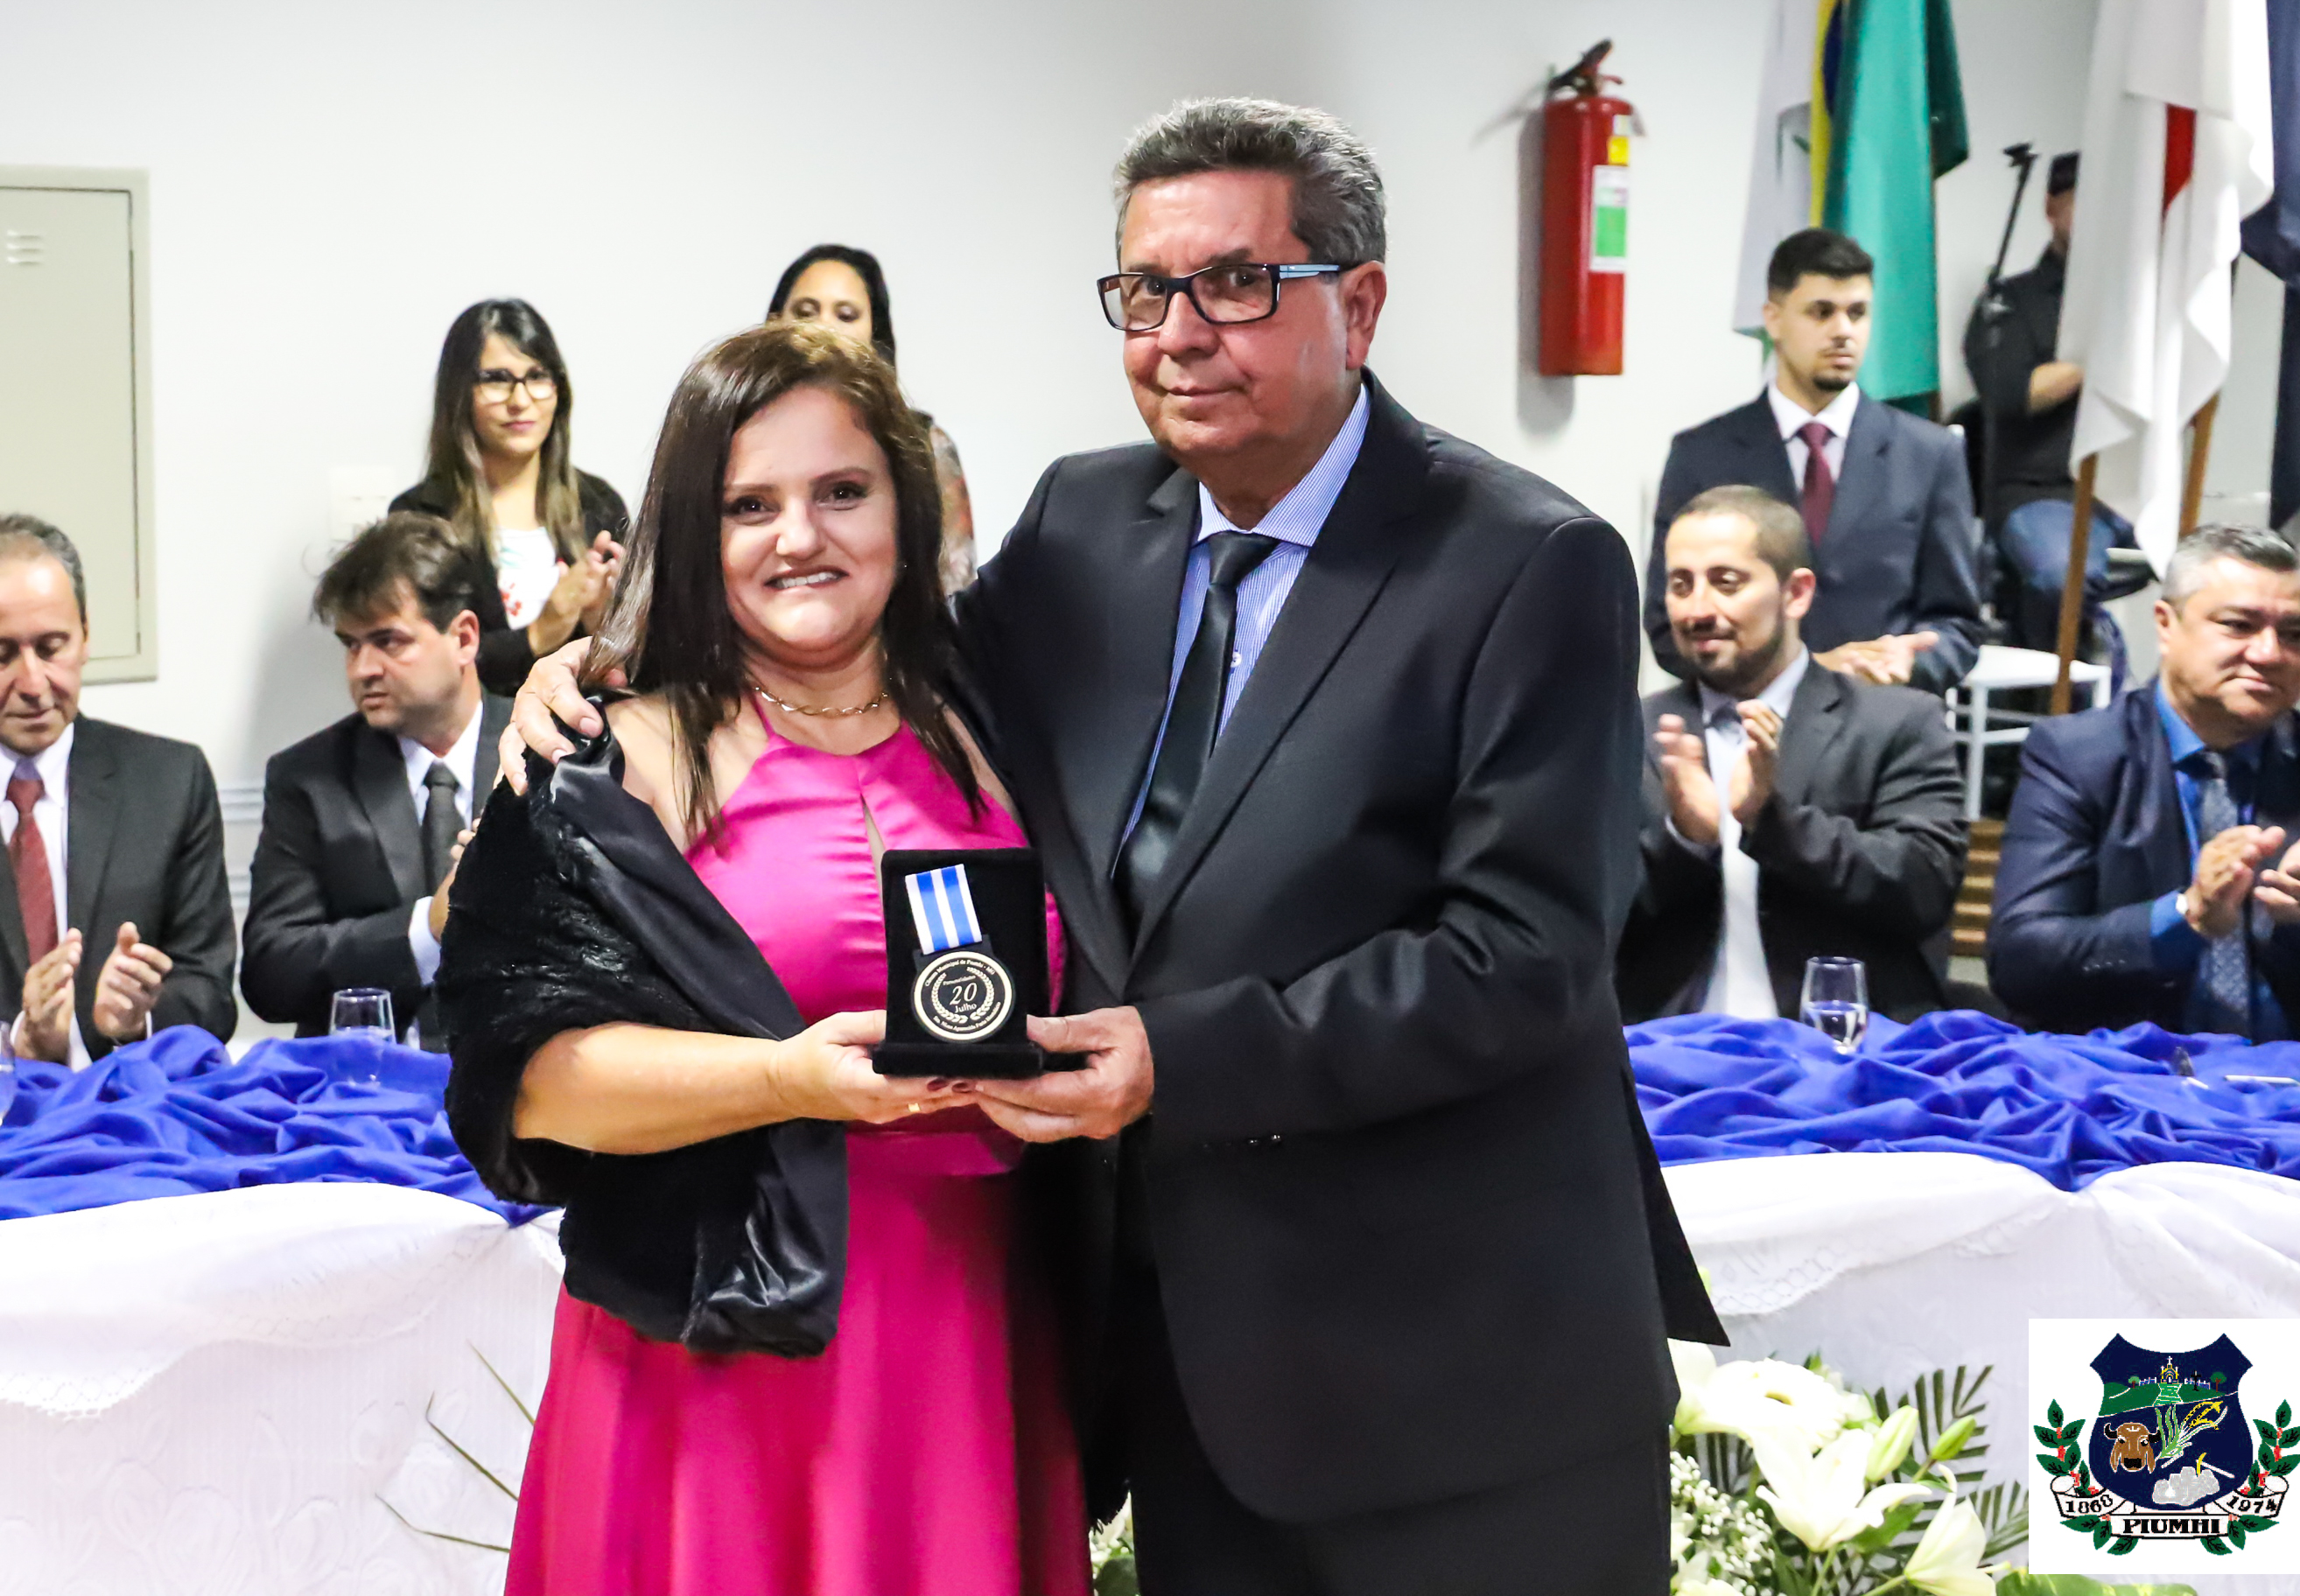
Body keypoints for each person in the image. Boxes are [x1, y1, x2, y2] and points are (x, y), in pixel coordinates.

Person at [508, 95, 1719, 1596]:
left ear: (1358, 304)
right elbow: (876, 658)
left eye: (1235, 284)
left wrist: (1174, 1057)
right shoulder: (1091, 520)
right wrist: (606, 670)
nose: (1179, 335)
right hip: (1191, 1379)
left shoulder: (1525, 561)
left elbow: (1525, 959)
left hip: (1459, 1380)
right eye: (1144, 292)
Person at [438, 323, 1089, 1594]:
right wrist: (786, 1081)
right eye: (750, 505)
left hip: (976, 1334)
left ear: (905, 507)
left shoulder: (1006, 715)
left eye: (842, 491)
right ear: (695, 527)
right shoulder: (599, 757)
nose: (800, 536)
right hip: (717, 1365)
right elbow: (525, 1084)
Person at [1618, 486, 1966, 1023]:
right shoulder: (1630, 733)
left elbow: (1923, 890)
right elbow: (1583, 919)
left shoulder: (1896, 723)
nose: (1698, 610)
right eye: (1681, 585)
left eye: (1726, 583)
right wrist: (1684, 842)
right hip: (1668, 1049)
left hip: (1842, 1049)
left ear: (1796, 593)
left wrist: (1773, 822)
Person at [1990, 525, 2300, 1040]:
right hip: (2123, 1067)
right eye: (2239, 625)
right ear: (2166, 625)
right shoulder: (2076, 757)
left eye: (2295, 634)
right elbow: (2021, 964)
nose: (2269, 653)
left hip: (2296, 1077)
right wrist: (2187, 915)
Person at [0, 514, 234, 1063]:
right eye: (0, 655)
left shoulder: (170, 782)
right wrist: (15, 1038)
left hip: (130, 1099)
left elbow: (210, 992)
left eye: (52, 647)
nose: (33, 684)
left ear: (85, 636)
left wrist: (137, 1020)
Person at [1651, 228, 1984, 694]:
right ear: (1773, 319)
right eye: (1821, 312)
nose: (1843, 331)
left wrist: (1908, 662)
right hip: (1746, 719)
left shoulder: (1929, 454)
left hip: (1882, 717)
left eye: (1857, 313)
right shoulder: (1703, 455)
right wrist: (1800, 677)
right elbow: (1666, 626)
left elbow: (1958, 626)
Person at [241, 513, 508, 1049]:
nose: (362, 669)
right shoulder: (308, 778)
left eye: (389, 641)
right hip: (371, 1083)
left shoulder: (545, 752)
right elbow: (271, 974)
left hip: (527, 1077)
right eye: (351, 644)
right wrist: (424, 929)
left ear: (463, 638)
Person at [390, 299, 628, 697]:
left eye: (537, 377)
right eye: (497, 379)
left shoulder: (598, 504)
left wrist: (603, 627)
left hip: (587, 725)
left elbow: (643, 659)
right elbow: (426, 665)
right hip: (481, 732)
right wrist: (542, 630)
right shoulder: (421, 516)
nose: (520, 400)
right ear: (460, 393)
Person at [1963, 153, 2139, 649]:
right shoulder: (2009, 301)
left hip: (2133, 491)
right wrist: (2105, 354)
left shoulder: (2139, 298)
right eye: (2086, 202)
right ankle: (2065, 681)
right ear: (2051, 207)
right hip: (2044, 494)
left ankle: (2105, 663)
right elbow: (2010, 393)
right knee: (2062, 577)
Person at [767, 244, 978, 592]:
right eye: (805, 312)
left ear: (873, 336)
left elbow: (955, 581)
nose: (823, 327)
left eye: (846, 315)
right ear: (775, 324)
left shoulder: (920, 445)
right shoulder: (736, 433)